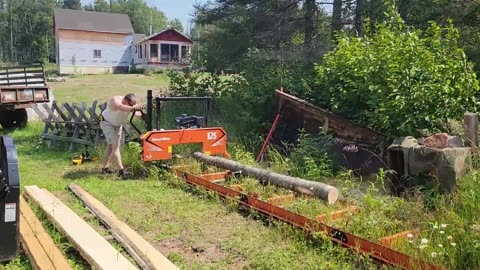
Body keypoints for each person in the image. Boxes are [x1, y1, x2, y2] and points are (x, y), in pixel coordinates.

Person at [100, 93, 142, 177]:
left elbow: (137, 114)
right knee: (115, 146)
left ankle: (105, 168)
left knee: (111, 147)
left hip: (117, 125)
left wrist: (140, 113)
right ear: (124, 101)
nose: (130, 107)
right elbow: (121, 107)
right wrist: (133, 108)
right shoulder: (115, 100)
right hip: (107, 123)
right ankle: (121, 170)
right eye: (129, 105)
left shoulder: (131, 105)